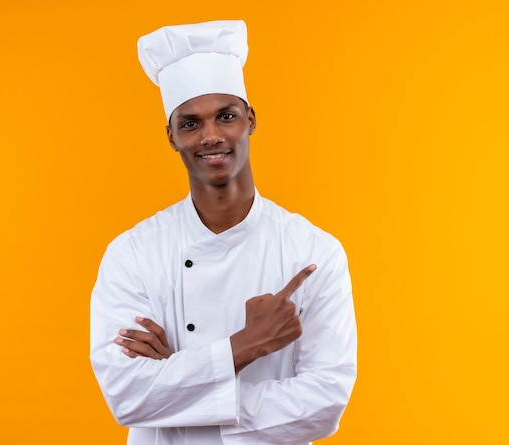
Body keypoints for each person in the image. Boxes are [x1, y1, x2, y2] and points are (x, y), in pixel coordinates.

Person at [90, 20, 357, 445]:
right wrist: (245, 346)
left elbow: (325, 403)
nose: (211, 136)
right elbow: (127, 397)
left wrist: (176, 390)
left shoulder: (313, 250)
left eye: (226, 116)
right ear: (172, 137)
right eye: (191, 123)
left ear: (250, 119)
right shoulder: (133, 254)